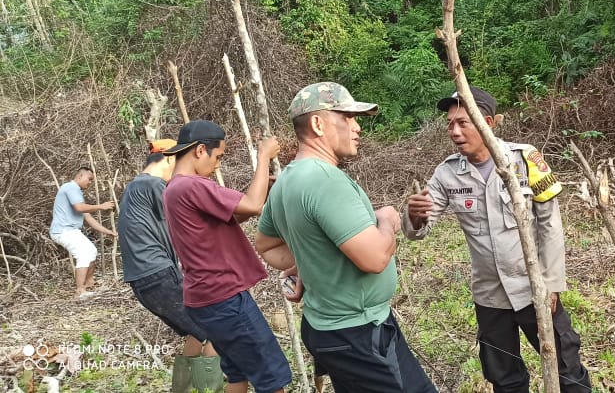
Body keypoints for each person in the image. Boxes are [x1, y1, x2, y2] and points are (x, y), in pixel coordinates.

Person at [404, 87, 591, 393]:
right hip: (489, 295)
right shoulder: (447, 174)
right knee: (504, 378)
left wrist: (552, 284)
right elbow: (419, 231)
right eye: (450, 124)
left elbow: (550, 224)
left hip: (533, 289)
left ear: (487, 123)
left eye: (463, 123)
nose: (454, 132)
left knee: (566, 368)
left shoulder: (525, 159)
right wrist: (414, 216)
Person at [255, 82, 438, 393]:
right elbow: (376, 259)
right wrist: (388, 220)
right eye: (348, 117)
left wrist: (314, 264)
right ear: (318, 123)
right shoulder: (325, 181)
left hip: (332, 330)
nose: (357, 127)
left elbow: (266, 244)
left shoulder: (288, 178)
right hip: (359, 335)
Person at [162, 120, 291, 393]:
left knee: (237, 373)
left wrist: (262, 189)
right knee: (271, 379)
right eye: (218, 156)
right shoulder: (192, 185)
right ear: (200, 150)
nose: (217, 165)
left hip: (204, 299)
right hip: (224, 298)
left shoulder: (175, 188)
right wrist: (264, 157)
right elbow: (252, 205)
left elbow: (234, 215)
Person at [117, 139, 219, 393]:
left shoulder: (135, 187)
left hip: (144, 279)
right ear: (169, 158)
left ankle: (181, 389)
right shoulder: (153, 185)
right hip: (158, 274)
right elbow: (185, 220)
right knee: (215, 331)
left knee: (197, 332)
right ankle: (209, 388)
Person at [49, 166, 116, 298]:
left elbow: (88, 217)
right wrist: (101, 206)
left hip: (70, 230)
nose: (90, 182)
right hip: (64, 230)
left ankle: (89, 284)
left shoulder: (75, 191)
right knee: (84, 255)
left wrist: (107, 231)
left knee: (91, 251)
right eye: (89, 179)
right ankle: (80, 291)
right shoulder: (71, 188)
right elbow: (80, 208)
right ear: (80, 176)